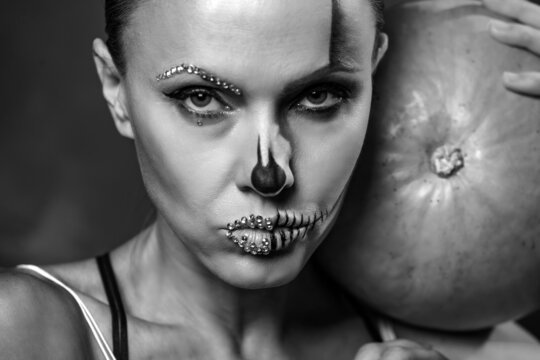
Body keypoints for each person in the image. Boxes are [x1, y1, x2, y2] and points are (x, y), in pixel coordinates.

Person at [0, 0, 449, 359]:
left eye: (319, 95)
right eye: (201, 98)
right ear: (116, 88)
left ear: (374, 74)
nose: (269, 175)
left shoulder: (441, 341)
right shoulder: (24, 330)